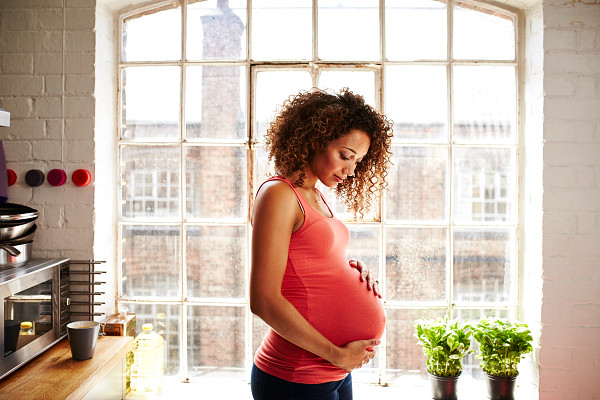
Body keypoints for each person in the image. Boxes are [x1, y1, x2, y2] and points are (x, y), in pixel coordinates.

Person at [250, 88, 393, 400]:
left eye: (358, 161)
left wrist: (348, 270)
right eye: (345, 155)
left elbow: (306, 263)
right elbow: (263, 300)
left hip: (332, 371)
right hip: (296, 375)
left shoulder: (314, 194)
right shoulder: (279, 195)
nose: (351, 171)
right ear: (314, 139)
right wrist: (336, 354)